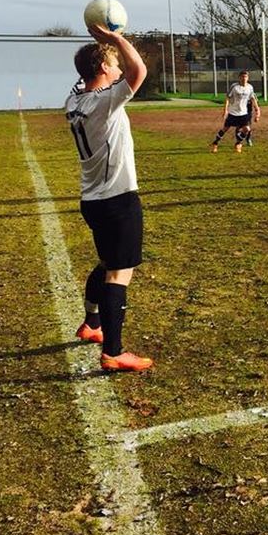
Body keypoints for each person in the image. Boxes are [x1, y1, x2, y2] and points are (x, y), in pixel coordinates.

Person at [65, 25, 154, 372]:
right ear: (103, 67)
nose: (118, 68)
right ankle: (113, 352)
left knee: (105, 263)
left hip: (93, 200)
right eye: (113, 64)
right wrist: (115, 39)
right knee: (119, 273)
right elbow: (138, 71)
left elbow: (87, 75)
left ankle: (92, 324)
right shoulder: (104, 102)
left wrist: (101, 48)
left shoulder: (74, 101)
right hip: (117, 199)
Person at [210, 70, 261, 152]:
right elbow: (227, 98)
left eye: (245, 77)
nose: (244, 78)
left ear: (248, 78)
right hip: (233, 113)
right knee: (225, 129)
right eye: (242, 77)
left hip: (243, 113)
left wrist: (257, 110)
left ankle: (238, 143)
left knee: (247, 129)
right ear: (239, 78)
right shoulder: (234, 87)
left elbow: (253, 99)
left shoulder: (250, 87)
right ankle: (215, 143)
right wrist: (225, 110)